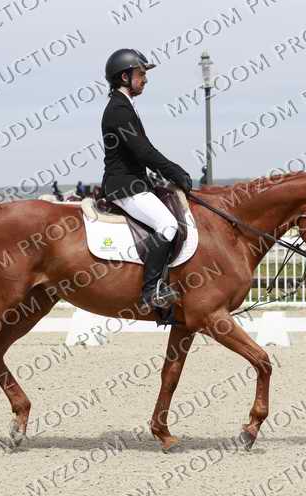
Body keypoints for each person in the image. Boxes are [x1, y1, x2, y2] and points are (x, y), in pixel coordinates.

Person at [101, 48, 193, 313]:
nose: (145, 79)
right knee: (167, 225)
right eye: (141, 74)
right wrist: (175, 172)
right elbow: (142, 151)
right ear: (124, 77)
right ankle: (150, 292)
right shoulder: (118, 109)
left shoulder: (126, 105)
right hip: (125, 186)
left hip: (135, 182)